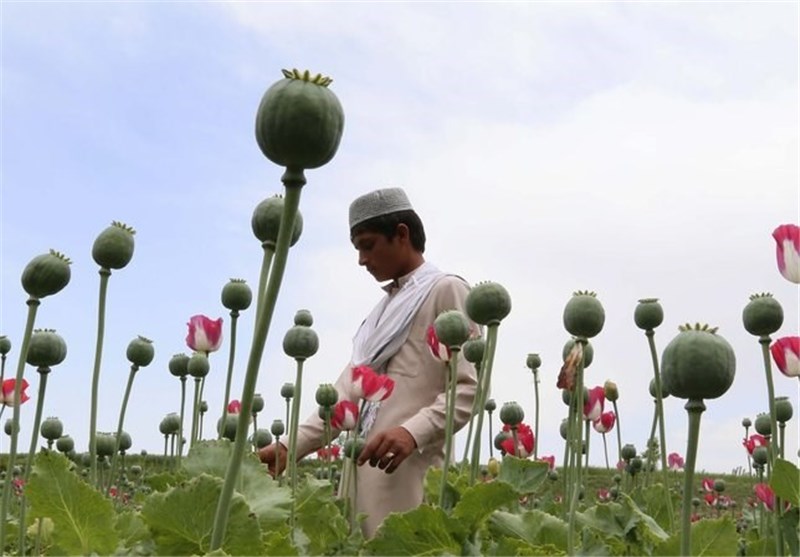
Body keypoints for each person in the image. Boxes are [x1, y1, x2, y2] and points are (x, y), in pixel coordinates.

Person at [259, 186, 478, 537]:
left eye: (368, 245)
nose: (361, 259)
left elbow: (470, 389)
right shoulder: (378, 317)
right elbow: (345, 396)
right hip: (359, 473)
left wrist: (412, 432)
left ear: (401, 234)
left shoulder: (446, 291)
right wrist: (290, 447)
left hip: (410, 470)